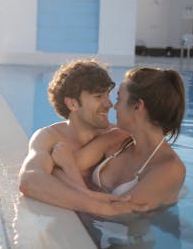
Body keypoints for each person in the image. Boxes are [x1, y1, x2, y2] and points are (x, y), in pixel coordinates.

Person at [18, 59, 143, 216]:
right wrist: (101, 206)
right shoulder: (50, 138)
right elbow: (30, 181)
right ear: (72, 104)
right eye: (98, 97)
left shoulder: (119, 136)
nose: (109, 104)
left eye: (108, 95)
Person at [51, 67, 186, 212]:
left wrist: (70, 168)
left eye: (119, 99)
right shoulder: (116, 140)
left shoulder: (170, 169)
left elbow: (114, 214)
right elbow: (56, 171)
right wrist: (91, 194)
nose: (113, 106)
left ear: (137, 107)